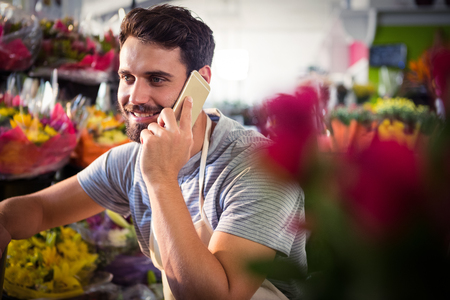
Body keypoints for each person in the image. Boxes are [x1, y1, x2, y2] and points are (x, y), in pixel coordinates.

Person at [0, 4, 306, 299]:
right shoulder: (130, 162)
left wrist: (160, 178)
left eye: (156, 79)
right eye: (127, 77)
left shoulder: (259, 169)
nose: (135, 97)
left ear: (201, 82)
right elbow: (38, 212)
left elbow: (216, 296)